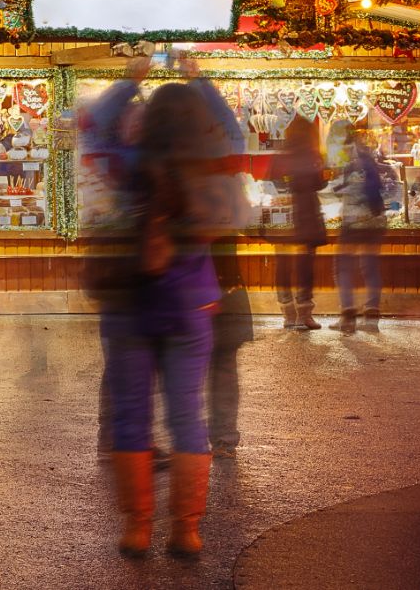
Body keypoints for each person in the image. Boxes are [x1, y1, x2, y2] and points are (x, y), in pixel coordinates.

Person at [99, 81, 222, 560]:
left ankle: (138, 527)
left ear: (148, 120)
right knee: (187, 414)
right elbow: (231, 134)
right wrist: (204, 86)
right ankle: (186, 529)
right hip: (191, 304)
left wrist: (130, 79)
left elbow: (97, 129)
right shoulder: (210, 172)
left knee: (132, 414)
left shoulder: (129, 164)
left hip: (130, 303)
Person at [178, 55, 252, 456]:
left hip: (198, 286)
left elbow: (230, 130)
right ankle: (218, 438)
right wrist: (200, 79)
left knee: (193, 365)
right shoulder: (224, 178)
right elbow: (231, 129)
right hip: (220, 284)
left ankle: (198, 439)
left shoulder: (180, 175)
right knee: (219, 364)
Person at [334, 127, 389, 334]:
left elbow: (353, 190)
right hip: (375, 221)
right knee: (370, 266)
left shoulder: (352, 162)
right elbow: (381, 189)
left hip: (355, 222)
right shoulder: (369, 160)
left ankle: (348, 314)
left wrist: (336, 189)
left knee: (342, 267)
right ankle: (372, 313)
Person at [276, 117, 326, 330]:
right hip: (306, 213)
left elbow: (274, 180)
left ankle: (287, 313)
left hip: (284, 214)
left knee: (283, 264)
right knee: (305, 264)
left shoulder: (283, 155)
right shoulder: (312, 155)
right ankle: (304, 314)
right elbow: (318, 182)